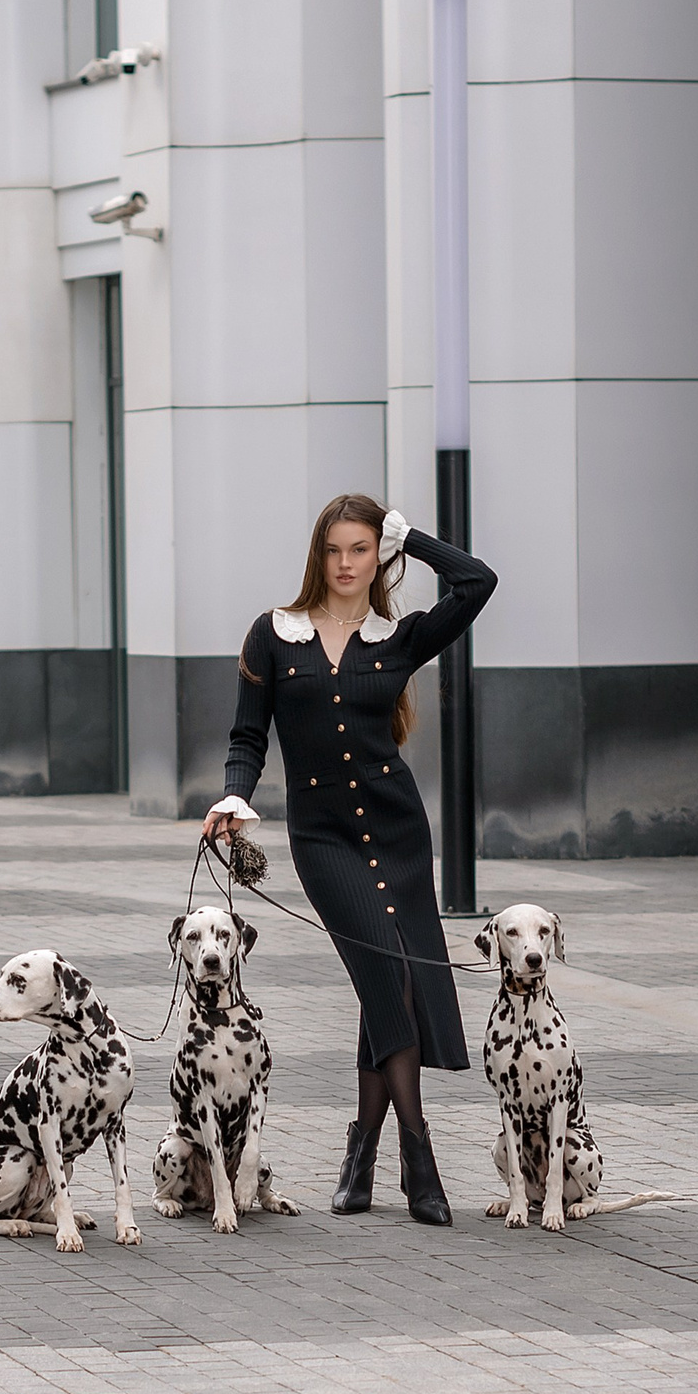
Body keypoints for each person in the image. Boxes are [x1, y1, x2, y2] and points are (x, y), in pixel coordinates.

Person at [200, 494, 497, 1226]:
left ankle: (362, 1147)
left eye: (361, 548)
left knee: (386, 978)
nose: (345, 564)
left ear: (378, 556)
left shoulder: (397, 636)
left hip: (397, 832)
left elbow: (478, 583)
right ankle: (417, 1152)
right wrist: (235, 799)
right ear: (317, 555)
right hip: (323, 838)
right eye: (334, 549)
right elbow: (248, 735)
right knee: (386, 971)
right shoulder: (274, 634)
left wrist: (412, 538)